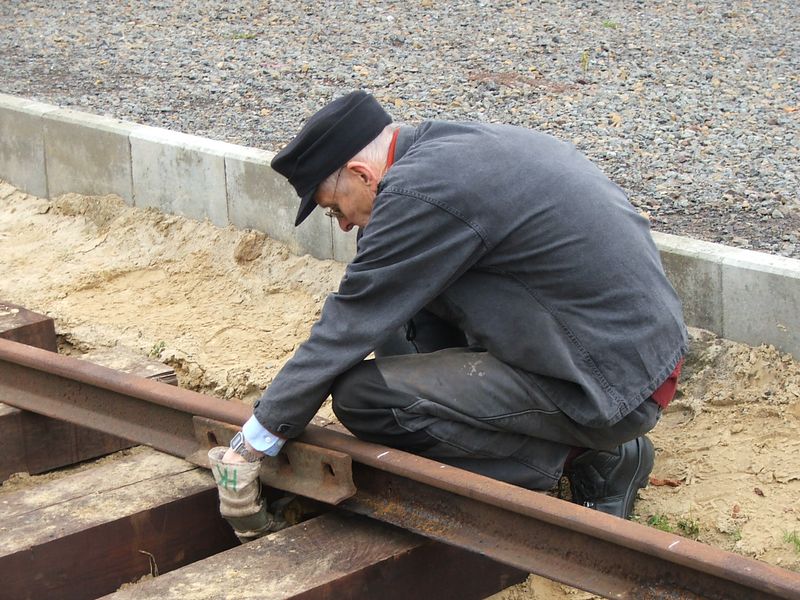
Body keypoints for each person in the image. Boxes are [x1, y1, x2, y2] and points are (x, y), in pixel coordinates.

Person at [209, 90, 687, 539]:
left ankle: (587, 455)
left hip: (608, 384)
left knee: (363, 398)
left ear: (361, 173)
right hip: (618, 351)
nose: (345, 225)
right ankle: (577, 442)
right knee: (396, 317)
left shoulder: (420, 193)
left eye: (335, 209)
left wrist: (254, 442)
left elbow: (347, 324)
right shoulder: (444, 150)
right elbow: (373, 308)